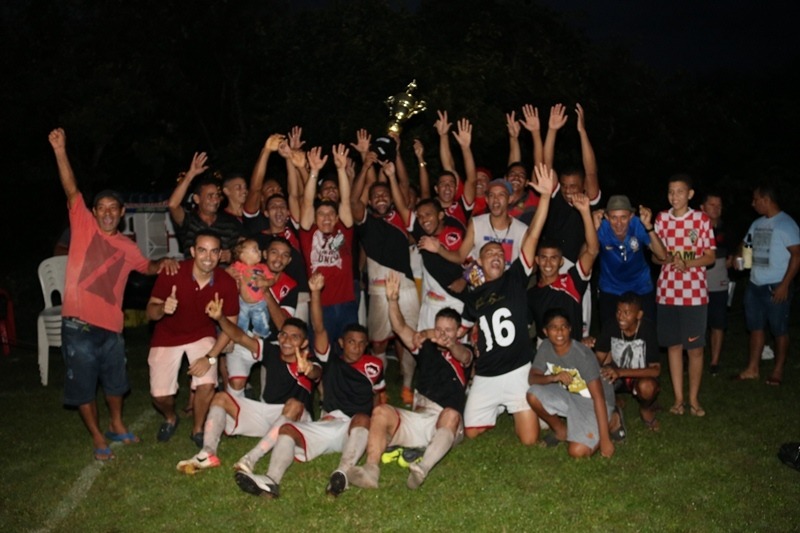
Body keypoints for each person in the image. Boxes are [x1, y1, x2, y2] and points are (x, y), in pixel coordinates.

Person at [48, 128, 179, 461]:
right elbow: (71, 188)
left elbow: (145, 267)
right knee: (84, 386)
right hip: (78, 324)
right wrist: (61, 150)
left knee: (116, 382)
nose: (106, 212)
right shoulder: (83, 226)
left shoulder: (127, 245)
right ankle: (96, 435)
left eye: (113, 208)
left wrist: (161, 263)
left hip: (112, 327)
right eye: (101, 207)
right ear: (94, 212)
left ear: (122, 214)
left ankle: (117, 425)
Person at [234, 273, 384, 499]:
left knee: (363, 417)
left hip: (353, 430)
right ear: (341, 343)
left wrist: (380, 428)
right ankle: (271, 480)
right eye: (351, 342)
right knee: (286, 429)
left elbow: (379, 397)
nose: (356, 347)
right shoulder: (330, 360)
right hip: (327, 423)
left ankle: (342, 473)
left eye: (362, 343)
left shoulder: (375, 365)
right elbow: (319, 327)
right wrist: (315, 293)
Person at [348, 271, 472, 490]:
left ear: (459, 332)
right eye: (439, 329)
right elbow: (400, 328)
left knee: (451, 414)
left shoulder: (464, 352)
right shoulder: (425, 347)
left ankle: (421, 469)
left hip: (446, 423)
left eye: (449, 330)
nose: (442, 334)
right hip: (420, 415)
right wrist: (393, 301)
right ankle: (371, 470)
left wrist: (450, 343)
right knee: (380, 411)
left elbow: (465, 356)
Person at [459, 162, 554, 445]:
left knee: (528, 440)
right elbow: (461, 332)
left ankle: (526, 406)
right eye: (489, 253)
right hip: (487, 374)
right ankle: (497, 405)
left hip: (517, 371)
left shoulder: (515, 277)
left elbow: (534, 235)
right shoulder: (474, 294)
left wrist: (546, 197)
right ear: (480, 260)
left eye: (500, 253)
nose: (496, 256)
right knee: (472, 432)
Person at [176, 295, 320, 475]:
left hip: (297, 419)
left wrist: (308, 369)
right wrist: (221, 318)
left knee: (294, 403)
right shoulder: (271, 350)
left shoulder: (309, 360)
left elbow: (316, 373)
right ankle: (207, 453)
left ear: (305, 343)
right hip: (268, 415)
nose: (287, 340)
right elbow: (240, 337)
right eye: (283, 335)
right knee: (221, 397)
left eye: (295, 337)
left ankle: (251, 458)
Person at [146, 229, 240, 446]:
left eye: (214, 251)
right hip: (167, 335)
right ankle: (170, 417)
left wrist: (210, 357)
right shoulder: (173, 273)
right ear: (192, 251)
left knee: (207, 382)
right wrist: (162, 308)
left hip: (201, 334)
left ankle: (198, 429)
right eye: (202, 250)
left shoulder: (226, 282)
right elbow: (150, 312)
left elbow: (231, 326)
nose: (208, 257)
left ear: (220, 254)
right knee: (160, 396)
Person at [351, 160, 419, 404]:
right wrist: (365, 165)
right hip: (378, 290)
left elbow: (403, 185)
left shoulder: (401, 217)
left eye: (385, 195)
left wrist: (390, 175)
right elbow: (353, 200)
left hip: (407, 287)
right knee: (378, 344)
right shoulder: (365, 221)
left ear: (391, 199)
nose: (380, 198)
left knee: (411, 339)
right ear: (370, 201)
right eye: (375, 195)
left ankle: (408, 386)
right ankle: (379, 389)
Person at [653, 174, 715, 417]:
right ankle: (679, 399)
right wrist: (665, 258)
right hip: (667, 292)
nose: (674, 196)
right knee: (674, 346)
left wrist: (688, 265)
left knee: (696, 349)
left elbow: (710, 257)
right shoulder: (661, 219)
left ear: (690, 194)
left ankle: (694, 399)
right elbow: (655, 256)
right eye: (670, 191)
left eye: (679, 191)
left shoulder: (701, 220)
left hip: (694, 293)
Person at [526, 308, 616, 458]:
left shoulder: (582, 355)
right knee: (533, 395)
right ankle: (561, 431)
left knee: (577, 452)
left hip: (595, 402)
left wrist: (605, 440)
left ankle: (612, 420)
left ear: (570, 329)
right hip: (570, 395)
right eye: (554, 327)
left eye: (564, 327)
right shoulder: (546, 347)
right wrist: (553, 378)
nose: (560, 332)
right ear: (545, 331)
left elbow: (598, 397)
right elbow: (532, 378)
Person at [734, 183, 800, 385]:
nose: (753, 203)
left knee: (779, 329)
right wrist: (738, 257)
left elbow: (796, 256)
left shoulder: (786, 224)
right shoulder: (757, 223)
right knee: (755, 328)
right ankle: (752, 368)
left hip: (776, 286)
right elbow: (746, 244)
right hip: (755, 285)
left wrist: (785, 285)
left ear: (766, 199)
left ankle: (778, 370)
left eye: (756, 199)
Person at [224, 237, 298, 395]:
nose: (279, 258)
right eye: (274, 252)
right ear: (264, 254)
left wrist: (265, 290)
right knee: (236, 383)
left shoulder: (290, 286)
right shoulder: (242, 270)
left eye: (285, 255)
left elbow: (282, 326)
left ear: (289, 260)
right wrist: (226, 277)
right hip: (244, 336)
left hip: (273, 344)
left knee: (272, 396)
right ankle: (229, 412)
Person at [298, 145, 356, 343]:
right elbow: (306, 203)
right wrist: (313, 172)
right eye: (321, 214)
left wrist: (341, 170)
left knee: (348, 352)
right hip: (320, 304)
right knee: (321, 352)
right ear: (314, 218)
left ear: (337, 217)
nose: (326, 218)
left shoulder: (344, 231)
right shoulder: (308, 233)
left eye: (331, 214)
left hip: (347, 301)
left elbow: (346, 201)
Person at [527, 192, 598, 343]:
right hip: (546, 352)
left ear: (561, 262)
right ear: (537, 260)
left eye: (554, 258)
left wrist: (585, 212)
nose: (548, 263)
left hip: (573, 353)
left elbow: (592, 250)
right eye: (544, 258)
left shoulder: (572, 282)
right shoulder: (531, 294)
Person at [594, 195, 667, 329]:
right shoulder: (601, 228)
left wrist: (649, 226)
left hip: (640, 286)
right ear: (607, 217)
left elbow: (662, 255)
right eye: (614, 217)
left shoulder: (639, 225)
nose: (619, 223)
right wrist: (592, 229)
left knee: (645, 331)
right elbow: (587, 253)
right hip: (611, 287)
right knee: (610, 333)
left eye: (623, 217)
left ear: (631, 216)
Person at [594, 293, 661, 431]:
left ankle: (645, 409)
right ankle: (613, 402)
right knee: (595, 379)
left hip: (638, 376)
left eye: (627, 313)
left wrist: (621, 372)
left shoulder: (647, 329)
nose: (620, 316)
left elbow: (655, 370)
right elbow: (598, 358)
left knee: (648, 387)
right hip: (614, 375)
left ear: (639, 314)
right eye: (618, 311)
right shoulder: (610, 326)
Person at [168, 153, 241, 264]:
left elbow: (242, 253)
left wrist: (232, 256)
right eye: (210, 196)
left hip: (221, 278)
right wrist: (190, 174)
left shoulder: (230, 223)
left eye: (217, 195)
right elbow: (173, 205)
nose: (215, 200)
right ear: (197, 199)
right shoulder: (188, 220)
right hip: (192, 277)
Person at [700, 192, 733, 375]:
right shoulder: (694, 228)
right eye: (712, 205)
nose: (716, 208)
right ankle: (694, 358)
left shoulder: (725, 229)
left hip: (719, 280)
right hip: (696, 282)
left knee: (718, 322)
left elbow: (737, 248)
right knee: (697, 323)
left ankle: (714, 362)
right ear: (702, 208)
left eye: (719, 205)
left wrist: (734, 257)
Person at [228, 238, 273, 339]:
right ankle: (238, 335)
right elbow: (225, 274)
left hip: (259, 303)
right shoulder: (238, 266)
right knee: (240, 320)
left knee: (261, 320)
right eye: (254, 250)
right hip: (242, 302)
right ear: (242, 256)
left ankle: (259, 337)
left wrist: (265, 282)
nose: (259, 252)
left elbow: (272, 280)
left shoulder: (263, 267)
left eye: (258, 249)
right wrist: (228, 273)